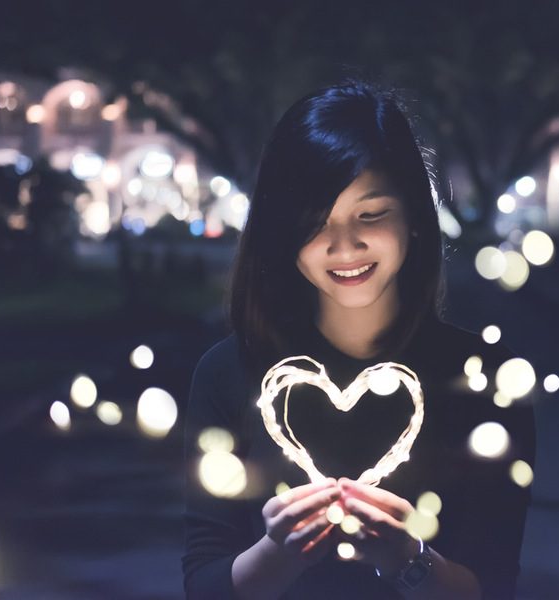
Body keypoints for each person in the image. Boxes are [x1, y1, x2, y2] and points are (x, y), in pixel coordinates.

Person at [182, 81, 535, 599]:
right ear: (282, 232)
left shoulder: (485, 378)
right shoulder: (228, 373)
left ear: (414, 217)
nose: (344, 246)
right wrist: (278, 553)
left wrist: (407, 559)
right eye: (314, 223)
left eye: (371, 215)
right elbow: (203, 585)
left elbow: (494, 586)